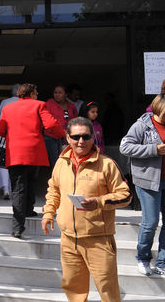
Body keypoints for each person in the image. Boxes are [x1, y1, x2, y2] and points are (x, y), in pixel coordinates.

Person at [42, 117, 131, 302]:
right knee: (73, 287)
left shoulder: (106, 164)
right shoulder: (62, 162)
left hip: (98, 238)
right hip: (69, 239)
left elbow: (125, 195)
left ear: (93, 137)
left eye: (85, 136)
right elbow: (54, 190)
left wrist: (99, 202)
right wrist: (48, 212)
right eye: (76, 137)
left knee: (107, 289)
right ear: (68, 138)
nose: (81, 141)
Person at [0, 83, 64, 238]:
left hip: (15, 153)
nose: (37, 95)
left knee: (18, 187)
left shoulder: (8, 108)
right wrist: (63, 134)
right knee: (32, 180)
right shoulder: (39, 105)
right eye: (36, 92)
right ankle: (28, 211)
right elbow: (51, 124)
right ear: (31, 93)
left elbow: (0, 130)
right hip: (34, 152)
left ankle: (18, 226)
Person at [120, 93, 165, 276]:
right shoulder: (142, 125)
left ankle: (164, 262)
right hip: (149, 182)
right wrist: (152, 149)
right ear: (161, 110)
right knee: (150, 222)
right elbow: (125, 147)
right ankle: (143, 258)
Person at [0, 84, 21, 200]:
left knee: (2, 161)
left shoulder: (3, 102)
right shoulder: (24, 103)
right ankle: (15, 188)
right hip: (18, 135)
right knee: (15, 162)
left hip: (1, 134)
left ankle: (5, 188)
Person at [45, 84, 78, 167]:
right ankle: (57, 174)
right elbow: (47, 121)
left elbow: (75, 121)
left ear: (66, 94)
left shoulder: (72, 106)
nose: (57, 95)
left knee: (68, 160)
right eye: (55, 92)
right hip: (52, 136)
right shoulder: (49, 104)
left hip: (68, 137)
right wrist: (61, 131)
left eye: (60, 93)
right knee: (56, 161)